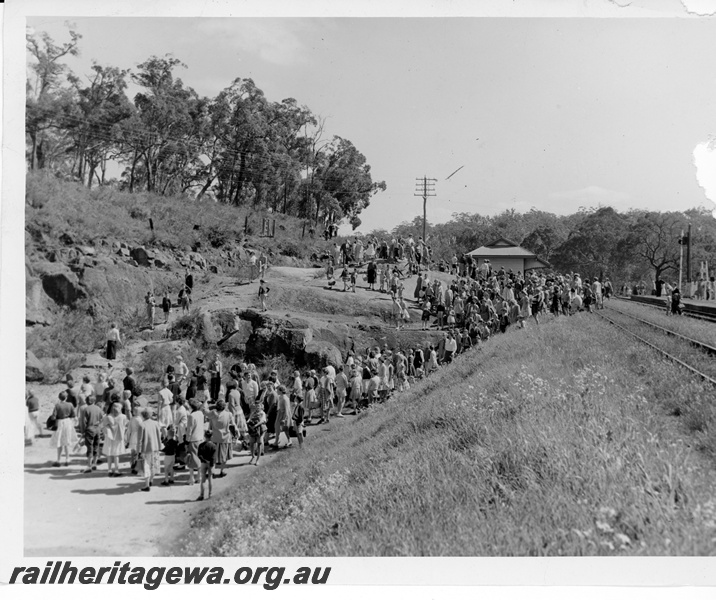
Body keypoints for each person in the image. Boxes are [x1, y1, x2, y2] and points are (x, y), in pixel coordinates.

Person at [208, 399, 234, 478]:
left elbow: (210, 427)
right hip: (225, 438)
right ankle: (222, 471)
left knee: (213, 456)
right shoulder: (229, 414)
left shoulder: (212, 415)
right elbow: (232, 425)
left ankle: (212, 471)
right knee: (224, 455)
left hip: (214, 437)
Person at [50, 391, 77, 467]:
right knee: (66, 442)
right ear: (66, 397)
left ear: (59, 398)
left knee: (59, 442)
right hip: (68, 422)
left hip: (60, 423)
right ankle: (67, 459)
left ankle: (58, 460)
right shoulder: (70, 404)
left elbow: (53, 416)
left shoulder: (57, 405)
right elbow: (73, 415)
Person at [138, 408, 163, 491]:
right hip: (155, 447)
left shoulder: (142, 425)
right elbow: (159, 436)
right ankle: (151, 480)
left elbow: (140, 440)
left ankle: (147, 484)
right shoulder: (156, 423)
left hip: (146, 448)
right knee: (153, 465)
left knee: (146, 466)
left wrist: (139, 451)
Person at [102, 401, 128, 477]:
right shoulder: (123, 417)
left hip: (109, 438)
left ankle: (109, 470)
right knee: (116, 455)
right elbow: (125, 425)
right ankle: (116, 470)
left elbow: (103, 426)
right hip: (118, 437)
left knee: (109, 454)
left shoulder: (107, 417)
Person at [79, 394, 104, 473]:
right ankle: (94, 464)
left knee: (89, 447)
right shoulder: (99, 409)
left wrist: (83, 431)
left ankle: (89, 466)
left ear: (89, 401)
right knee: (96, 446)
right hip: (97, 429)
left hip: (90, 429)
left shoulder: (86, 409)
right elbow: (101, 419)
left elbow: (83, 422)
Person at [185, 400, 205, 486]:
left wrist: (187, 440)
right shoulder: (201, 414)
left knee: (191, 459)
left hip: (193, 439)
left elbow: (189, 430)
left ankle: (191, 478)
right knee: (200, 458)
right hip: (200, 438)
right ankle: (199, 476)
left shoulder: (191, 416)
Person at [197, 430, 216, 501]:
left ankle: (201, 495)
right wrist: (211, 463)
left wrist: (204, 460)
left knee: (203, 479)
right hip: (210, 464)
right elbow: (213, 457)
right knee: (210, 479)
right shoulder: (213, 446)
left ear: (204, 436)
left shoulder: (201, 445)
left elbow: (199, 455)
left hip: (203, 463)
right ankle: (210, 494)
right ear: (212, 436)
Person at [247, 400, 267, 466]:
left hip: (260, 429)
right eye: (256, 406)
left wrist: (255, 425)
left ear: (261, 406)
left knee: (259, 443)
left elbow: (262, 421)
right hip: (253, 430)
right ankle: (253, 456)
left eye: (258, 406)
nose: (257, 407)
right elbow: (249, 419)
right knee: (251, 443)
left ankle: (257, 459)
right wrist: (249, 423)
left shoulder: (262, 413)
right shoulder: (253, 413)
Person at [126, 405, 143, 475]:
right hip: (138, 436)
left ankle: (132, 464)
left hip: (132, 436)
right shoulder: (140, 419)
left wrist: (127, 439)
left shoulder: (132, 419)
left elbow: (128, 430)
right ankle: (136, 466)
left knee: (133, 453)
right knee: (138, 453)